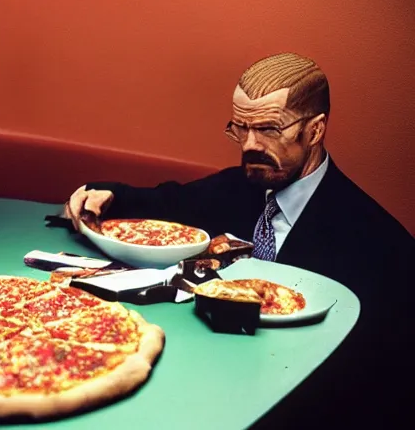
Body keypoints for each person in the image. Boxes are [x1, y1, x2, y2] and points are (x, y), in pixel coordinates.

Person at [63, 52, 414, 427]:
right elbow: (166, 201)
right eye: (240, 128)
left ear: (315, 130)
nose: (249, 145)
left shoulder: (382, 245)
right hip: (209, 387)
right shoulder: (239, 186)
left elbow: (386, 383)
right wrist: (107, 194)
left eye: (268, 130)